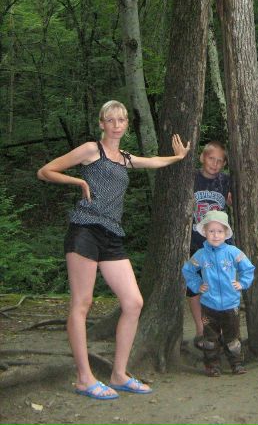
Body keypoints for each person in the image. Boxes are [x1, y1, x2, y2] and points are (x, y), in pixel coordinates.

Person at [37, 100, 190, 399]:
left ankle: (119, 374)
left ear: (126, 124)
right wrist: (79, 182)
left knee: (133, 302)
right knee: (82, 303)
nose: (117, 125)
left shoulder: (125, 159)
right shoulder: (91, 150)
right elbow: (46, 171)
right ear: (102, 124)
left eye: (121, 120)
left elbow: (153, 161)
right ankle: (84, 378)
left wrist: (178, 157)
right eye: (111, 120)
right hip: (85, 230)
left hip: (112, 235)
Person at [182, 211, 255, 376]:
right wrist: (197, 285)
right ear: (204, 232)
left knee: (233, 337)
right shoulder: (200, 255)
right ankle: (212, 366)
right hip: (208, 306)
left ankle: (236, 364)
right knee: (209, 339)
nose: (216, 235)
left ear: (226, 233)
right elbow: (188, 270)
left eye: (220, 231)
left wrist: (242, 283)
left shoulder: (233, 252)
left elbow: (248, 268)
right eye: (211, 231)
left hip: (231, 305)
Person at [189, 141, 232, 350]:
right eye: (211, 158)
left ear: (224, 164)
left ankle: (220, 330)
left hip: (220, 244)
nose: (214, 164)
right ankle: (201, 329)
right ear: (202, 158)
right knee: (195, 287)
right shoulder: (191, 178)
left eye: (219, 161)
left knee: (220, 284)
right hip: (195, 242)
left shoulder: (226, 181)